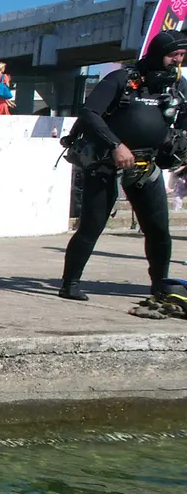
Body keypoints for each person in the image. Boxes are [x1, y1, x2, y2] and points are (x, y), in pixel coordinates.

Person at [59, 29, 187, 300]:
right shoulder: (121, 79)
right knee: (91, 227)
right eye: (173, 54)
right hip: (108, 162)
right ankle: (70, 284)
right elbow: (90, 113)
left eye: (182, 55)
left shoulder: (177, 85)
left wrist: (176, 144)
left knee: (159, 230)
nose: (178, 60)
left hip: (146, 166)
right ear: (157, 54)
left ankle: (159, 287)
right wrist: (116, 145)